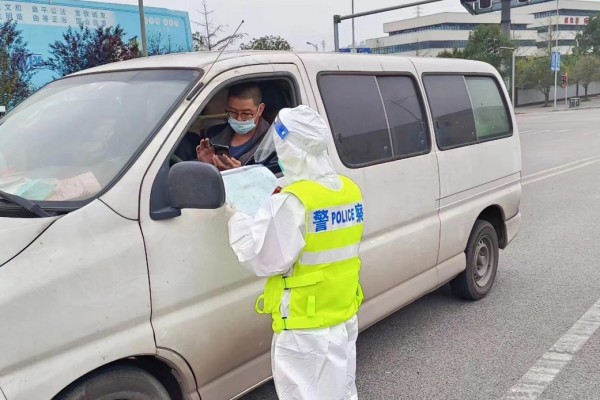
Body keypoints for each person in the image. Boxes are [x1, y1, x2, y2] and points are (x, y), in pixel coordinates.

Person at [227, 105, 365, 400]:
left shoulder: (294, 203)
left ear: (290, 148)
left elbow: (262, 260)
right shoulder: (349, 190)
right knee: (341, 390)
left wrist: (237, 214)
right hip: (342, 315)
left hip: (306, 327)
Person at [196, 82, 270, 170]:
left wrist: (239, 174)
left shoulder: (271, 143)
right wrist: (207, 165)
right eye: (233, 112)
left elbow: (271, 180)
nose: (239, 119)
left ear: (260, 109)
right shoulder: (214, 134)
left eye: (246, 113)